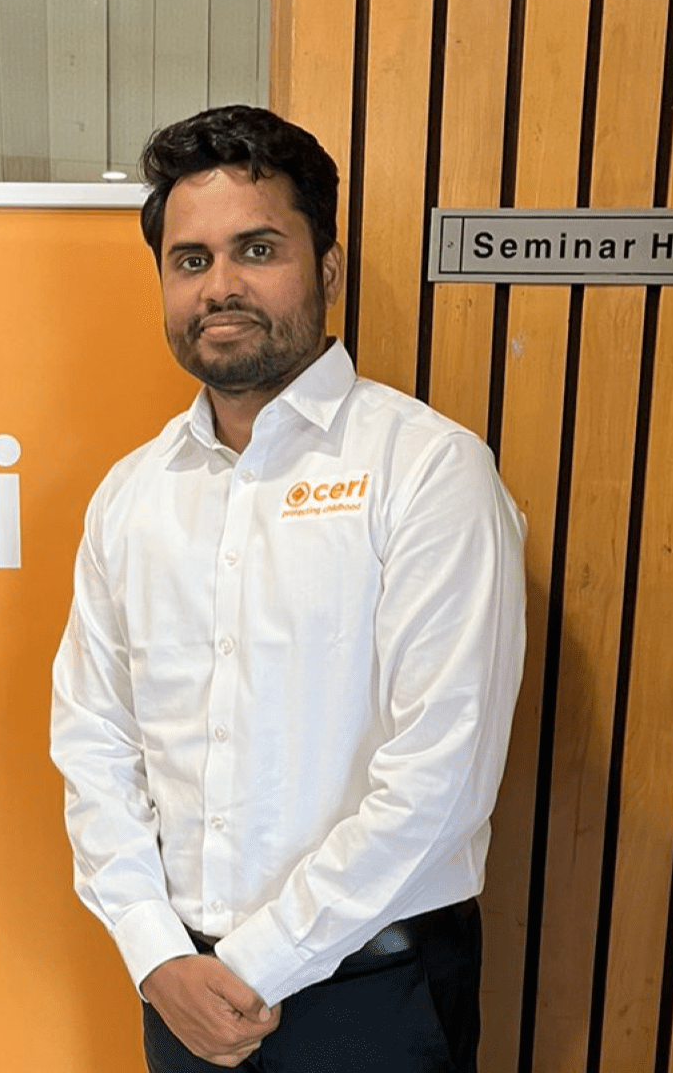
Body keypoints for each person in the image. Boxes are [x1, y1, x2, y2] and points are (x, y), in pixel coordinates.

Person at [50, 105, 526, 1071]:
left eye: (256, 248)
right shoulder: (131, 496)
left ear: (329, 270)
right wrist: (154, 953)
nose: (220, 286)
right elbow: (93, 739)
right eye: (191, 261)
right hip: (181, 990)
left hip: (374, 998)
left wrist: (259, 964)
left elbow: (443, 773)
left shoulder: (427, 471)